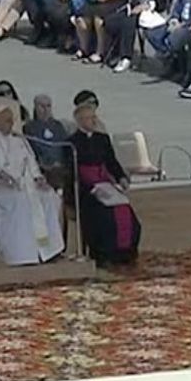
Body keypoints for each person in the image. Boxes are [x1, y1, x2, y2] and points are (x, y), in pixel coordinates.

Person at [0, 106, 67, 266]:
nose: (12, 124)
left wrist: (38, 178)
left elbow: (31, 165)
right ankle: (20, 253)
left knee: (49, 197)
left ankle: (47, 250)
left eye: (12, 120)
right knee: (21, 201)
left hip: (25, 186)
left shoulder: (18, 140)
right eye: (7, 120)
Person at [70, 102, 141, 265]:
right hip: (86, 189)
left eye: (94, 117)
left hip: (105, 183)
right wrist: (91, 188)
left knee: (126, 212)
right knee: (105, 217)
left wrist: (121, 177)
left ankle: (126, 252)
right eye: (89, 118)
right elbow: (72, 171)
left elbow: (111, 162)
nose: (94, 121)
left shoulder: (102, 139)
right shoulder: (72, 143)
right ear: (80, 121)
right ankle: (104, 254)